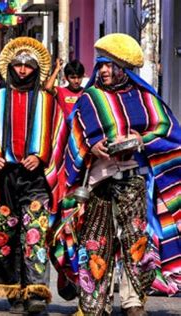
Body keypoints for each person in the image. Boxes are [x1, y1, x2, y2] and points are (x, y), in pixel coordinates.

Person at [51, 33, 181, 316]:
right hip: (98, 182)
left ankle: (133, 300)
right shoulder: (90, 97)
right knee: (97, 239)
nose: (105, 70)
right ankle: (95, 302)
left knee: (134, 239)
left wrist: (141, 139)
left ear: (124, 68)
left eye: (111, 64)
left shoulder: (143, 97)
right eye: (101, 64)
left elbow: (166, 130)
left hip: (132, 180)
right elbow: (75, 135)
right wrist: (91, 146)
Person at [0, 37, 60, 314]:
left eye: (28, 66)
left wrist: (42, 155)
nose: (22, 70)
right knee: (6, 235)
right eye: (18, 65)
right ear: (10, 67)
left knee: (34, 234)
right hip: (4, 178)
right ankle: (14, 293)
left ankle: (35, 292)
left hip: (35, 179)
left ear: (37, 70)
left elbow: (59, 135)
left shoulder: (48, 102)